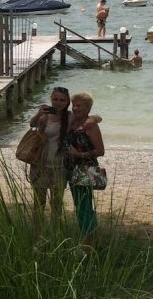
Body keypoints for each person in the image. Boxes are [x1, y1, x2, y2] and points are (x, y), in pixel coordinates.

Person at [67, 92, 105, 252]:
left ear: (88, 108)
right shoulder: (73, 122)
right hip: (71, 169)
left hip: (85, 169)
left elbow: (100, 151)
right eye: (73, 105)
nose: (75, 108)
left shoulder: (91, 126)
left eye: (79, 105)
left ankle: (87, 246)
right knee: (81, 206)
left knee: (84, 207)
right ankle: (93, 242)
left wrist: (79, 154)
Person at [28, 86, 71, 228]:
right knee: (39, 203)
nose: (58, 102)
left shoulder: (70, 116)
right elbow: (32, 124)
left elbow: (91, 118)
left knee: (56, 204)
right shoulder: (46, 113)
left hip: (60, 166)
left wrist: (94, 118)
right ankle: (37, 232)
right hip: (40, 165)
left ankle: (56, 232)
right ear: (51, 99)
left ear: (67, 101)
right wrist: (39, 113)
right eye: (55, 99)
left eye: (62, 100)